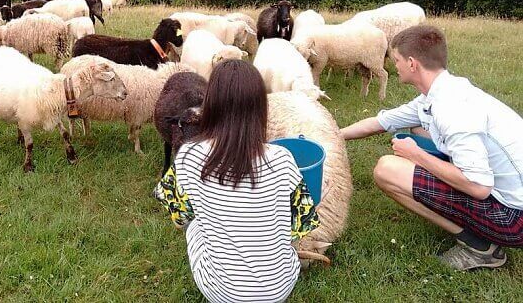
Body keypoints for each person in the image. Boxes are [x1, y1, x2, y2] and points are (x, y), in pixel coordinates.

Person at [341, 25, 523, 270]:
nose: (394, 65)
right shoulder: (439, 93)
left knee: (387, 170)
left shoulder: (452, 110)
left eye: (396, 60)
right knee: (419, 128)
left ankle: (480, 249)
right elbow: (381, 122)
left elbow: (479, 187)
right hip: (509, 193)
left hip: (514, 218)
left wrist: (415, 155)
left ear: (412, 63)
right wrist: (333, 136)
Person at [155, 60, 319, 303]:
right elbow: (300, 226)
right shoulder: (284, 158)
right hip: (280, 287)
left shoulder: (190, 154)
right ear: (261, 107)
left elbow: (179, 216)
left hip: (224, 292)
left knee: (194, 224)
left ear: (210, 105)